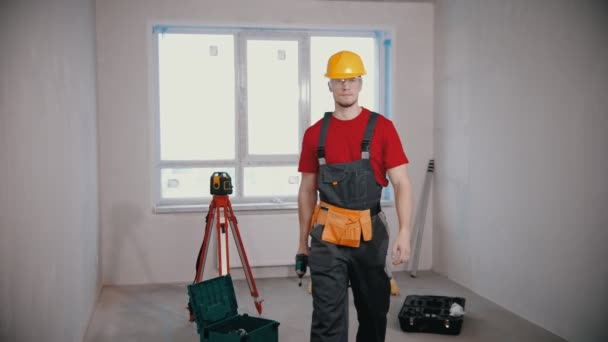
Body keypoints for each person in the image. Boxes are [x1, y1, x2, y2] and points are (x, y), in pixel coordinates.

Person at [297, 50, 414, 342]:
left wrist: (405, 233)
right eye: (339, 80)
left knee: (374, 314)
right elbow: (307, 190)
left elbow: (402, 184)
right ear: (330, 85)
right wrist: (302, 241)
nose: (345, 86)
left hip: (370, 234)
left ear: (360, 83)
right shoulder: (314, 134)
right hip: (327, 235)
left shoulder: (383, 128)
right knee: (326, 317)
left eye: (351, 79)